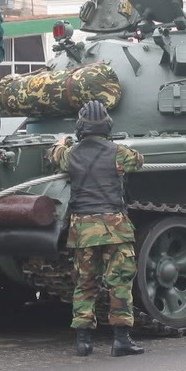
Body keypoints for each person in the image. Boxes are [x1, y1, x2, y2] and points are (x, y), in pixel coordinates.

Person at [46, 100, 145, 357]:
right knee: (119, 283)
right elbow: (138, 161)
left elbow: (56, 156)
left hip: (84, 229)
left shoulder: (72, 154)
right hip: (114, 228)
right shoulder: (119, 153)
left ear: (80, 128)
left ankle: (83, 341)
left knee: (85, 283)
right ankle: (121, 340)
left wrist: (62, 143)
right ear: (107, 126)